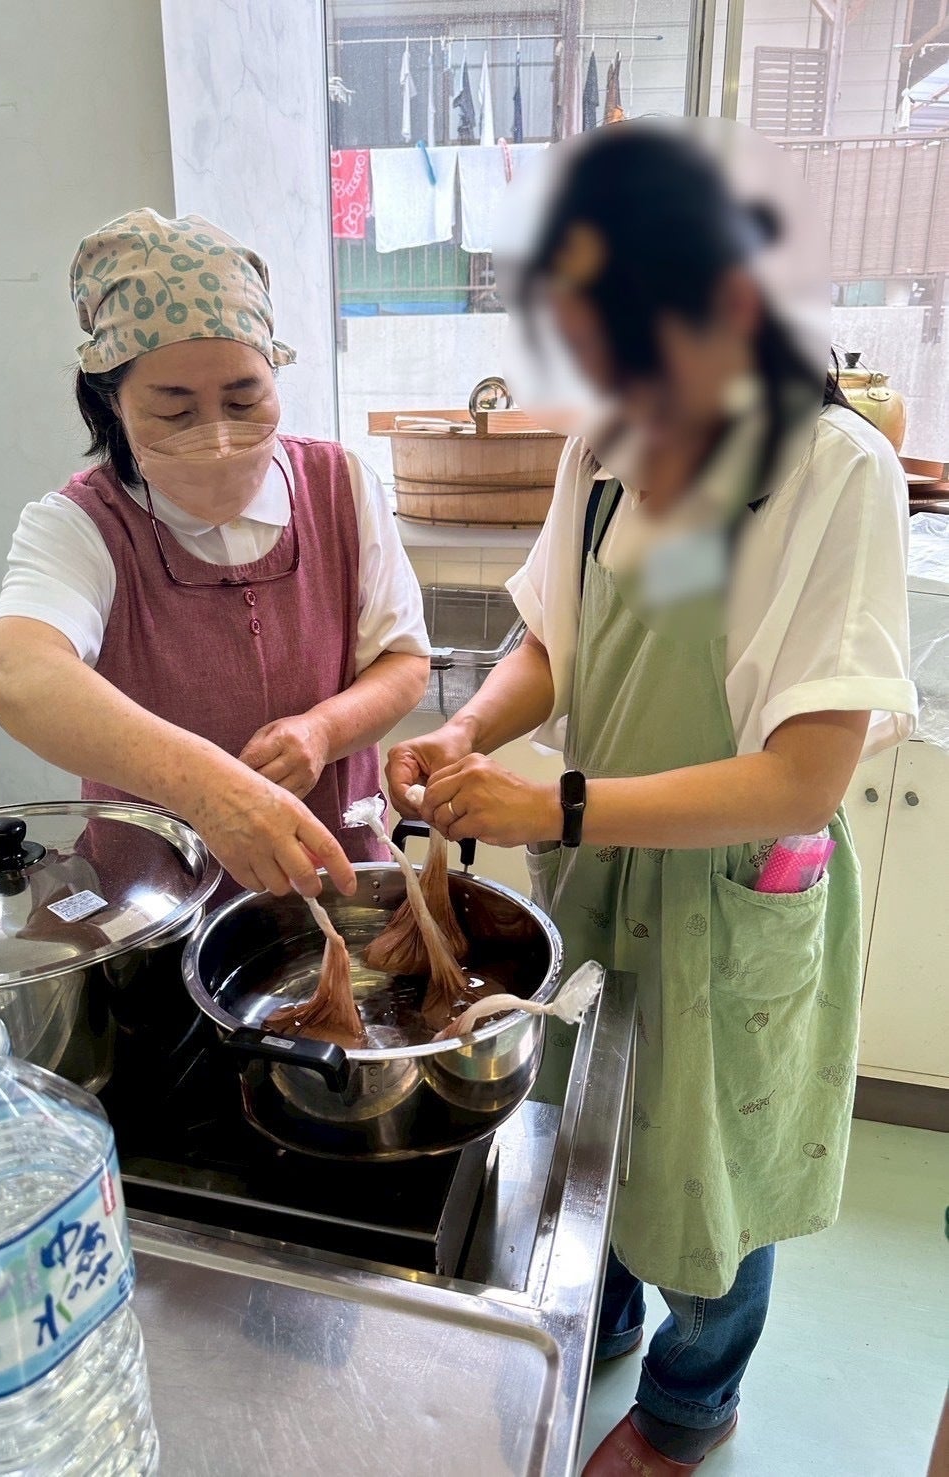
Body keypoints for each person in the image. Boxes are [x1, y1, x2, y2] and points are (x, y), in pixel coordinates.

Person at [388, 123, 916, 1474]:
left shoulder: (830, 471)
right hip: (599, 870)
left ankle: (691, 1402)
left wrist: (552, 806)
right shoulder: (613, 451)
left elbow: (802, 774)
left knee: (709, 1168)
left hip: (735, 892)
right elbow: (559, 643)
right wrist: (467, 728)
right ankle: (601, 1312)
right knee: (595, 1135)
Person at [0, 209, 429, 900]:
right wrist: (208, 790)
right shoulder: (81, 527)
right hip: (154, 906)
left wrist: (321, 731)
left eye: (243, 401)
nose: (218, 437)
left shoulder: (340, 488)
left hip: (334, 887)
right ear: (113, 402)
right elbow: (17, 674)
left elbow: (403, 662)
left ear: (275, 376)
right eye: (175, 411)